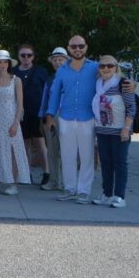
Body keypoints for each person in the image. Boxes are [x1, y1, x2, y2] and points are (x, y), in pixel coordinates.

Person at [45, 35, 99, 204]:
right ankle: (69, 189)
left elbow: (113, 78)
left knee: (87, 156)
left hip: (88, 117)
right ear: (69, 49)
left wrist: (129, 85)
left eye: (80, 46)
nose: (77, 49)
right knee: (67, 155)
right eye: (74, 46)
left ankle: (83, 191)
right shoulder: (62, 70)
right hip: (66, 117)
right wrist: (50, 115)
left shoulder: (95, 68)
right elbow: (54, 94)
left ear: (86, 47)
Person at [92, 55, 135, 208]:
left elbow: (131, 108)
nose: (106, 69)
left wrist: (126, 128)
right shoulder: (97, 83)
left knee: (120, 163)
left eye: (110, 66)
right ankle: (107, 194)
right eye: (102, 66)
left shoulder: (123, 84)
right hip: (102, 130)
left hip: (119, 131)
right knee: (106, 164)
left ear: (116, 67)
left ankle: (119, 196)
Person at [0, 50, 30, 195]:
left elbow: (20, 104)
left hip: (11, 118)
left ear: (9, 63)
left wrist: (16, 122)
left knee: (13, 150)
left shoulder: (16, 80)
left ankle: (13, 183)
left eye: (5, 61)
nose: (2, 64)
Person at [12, 44, 49, 186]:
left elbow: (48, 92)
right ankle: (26, 173)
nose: (26, 58)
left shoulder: (41, 71)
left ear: (33, 56)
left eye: (29, 55)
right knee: (25, 143)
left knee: (40, 143)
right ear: (18, 56)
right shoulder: (14, 72)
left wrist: (46, 112)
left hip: (38, 112)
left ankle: (46, 172)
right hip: (20, 113)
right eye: (23, 55)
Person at [38, 47, 68, 192]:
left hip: (68, 117)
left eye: (60, 59)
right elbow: (45, 98)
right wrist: (43, 117)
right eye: (55, 60)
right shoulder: (50, 79)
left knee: (67, 151)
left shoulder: (73, 76)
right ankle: (55, 181)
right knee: (52, 151)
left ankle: (67, 182)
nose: (57, 62)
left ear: (66, 61)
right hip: (51, 117)